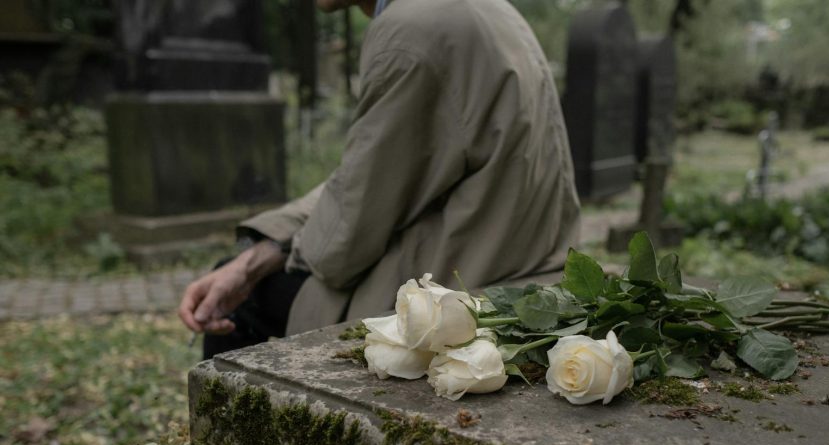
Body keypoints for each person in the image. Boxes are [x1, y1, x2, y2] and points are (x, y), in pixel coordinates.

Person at [179, 0, 582, 358]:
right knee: (241, 271)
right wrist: (258, 251)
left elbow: (344, 241)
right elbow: (367, 180)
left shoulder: (410, 30)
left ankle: (224, 441)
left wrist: (249, 264)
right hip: (518, 265)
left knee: (236, 299)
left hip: (462, 287)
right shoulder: (485, 9)